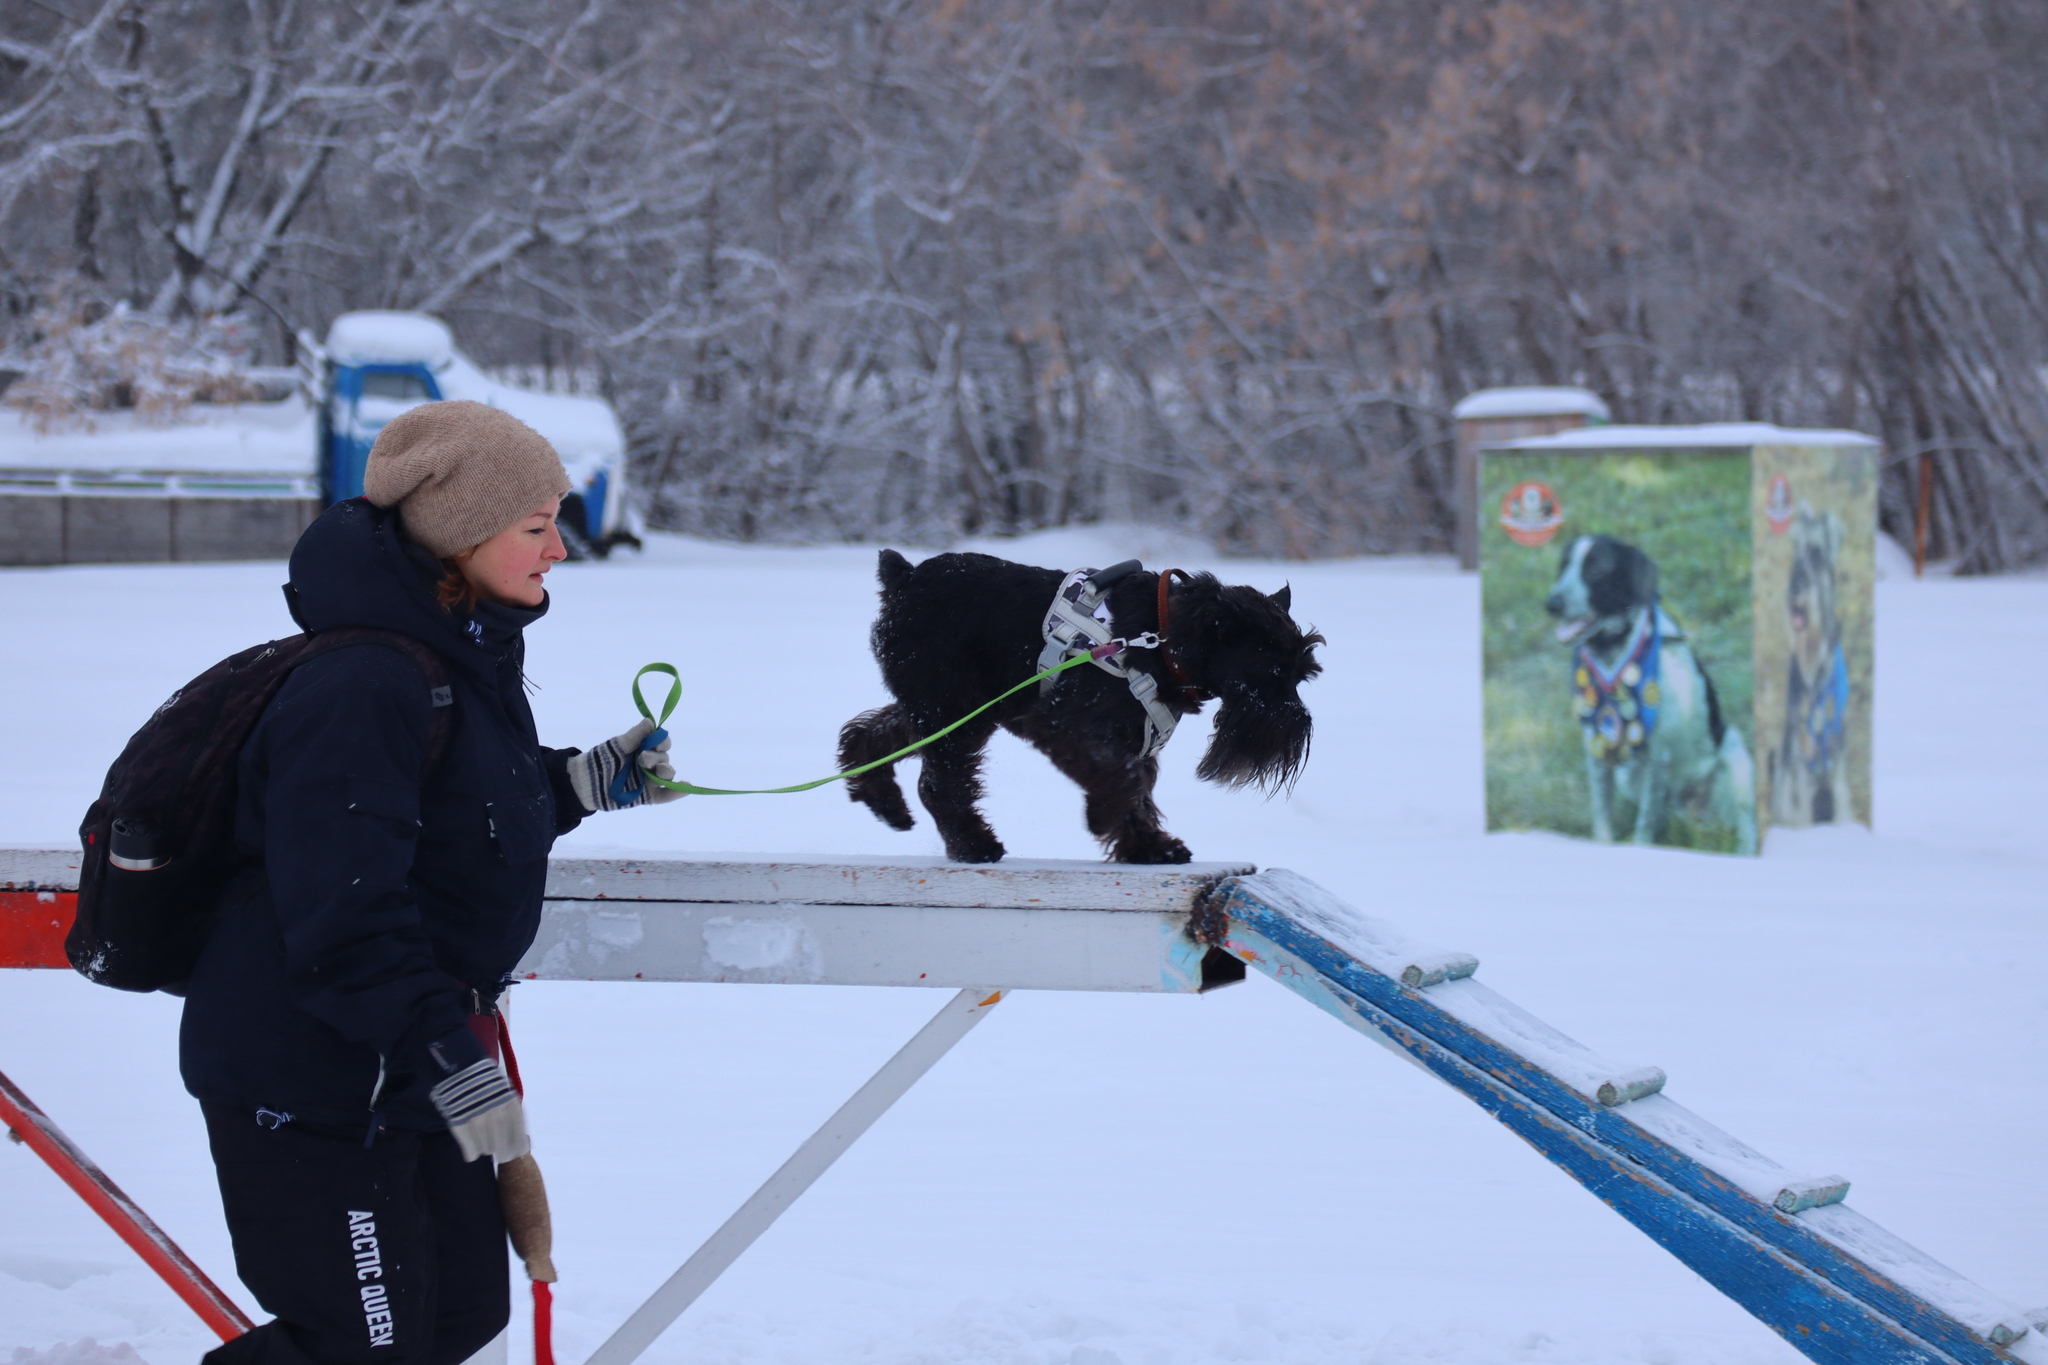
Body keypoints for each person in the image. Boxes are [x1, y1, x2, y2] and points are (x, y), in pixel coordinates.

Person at [179, 400, 677, 1365]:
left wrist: (578, 783)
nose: (560, 550)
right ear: (459, 537)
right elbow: (342, 910)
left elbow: (452, 810)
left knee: (457, 1320)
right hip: (317, 1076)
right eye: (535, 527)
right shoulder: (361, 682)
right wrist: (451, 1054)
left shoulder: (462, 653)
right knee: (362, 1345)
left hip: (416, 1061)